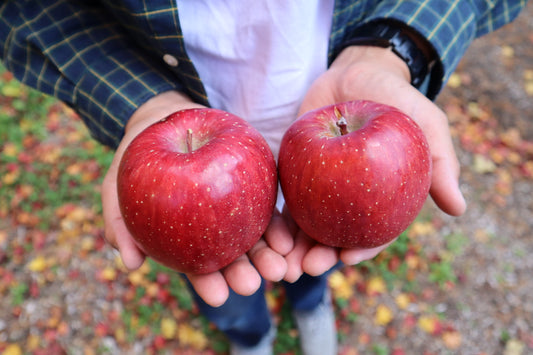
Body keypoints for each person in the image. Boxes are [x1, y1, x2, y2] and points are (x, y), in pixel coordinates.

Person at [0, 1, 526, 354]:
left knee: (315, 245)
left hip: (326, 104)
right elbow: (34, 11)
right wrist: (141, 102)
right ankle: (250, 337)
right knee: (224, 281)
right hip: (187, 125)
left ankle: (311, 303)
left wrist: (393, 47)